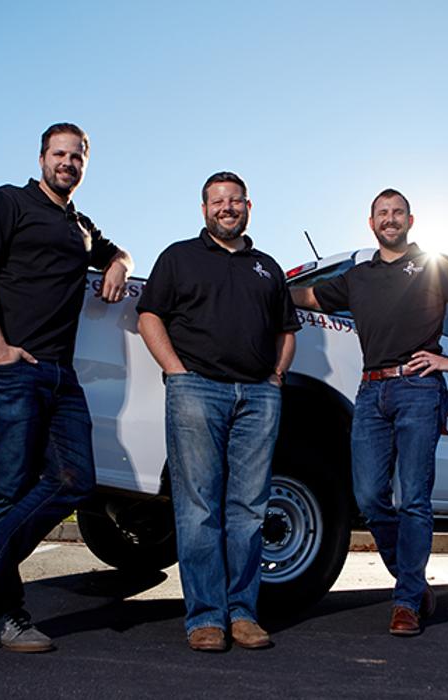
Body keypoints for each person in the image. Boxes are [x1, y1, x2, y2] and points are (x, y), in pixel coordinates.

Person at [0, 123, 133, 657]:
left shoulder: (81, 226)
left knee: (75, 479)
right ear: (42, 157)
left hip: (59, 372)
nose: (67, 163)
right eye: (59, 154)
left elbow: (121, 253)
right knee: (6, 488)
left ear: (85, 165)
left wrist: (118, 264)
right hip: (8, 365)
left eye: (77, 156)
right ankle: (5, 614)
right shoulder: (7, 202)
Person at [291, 189, 448, 636]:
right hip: (370, 391)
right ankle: (412, 580)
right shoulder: (357, 278)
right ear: (371, 223)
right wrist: (261, 286)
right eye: (382, 213)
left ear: (410, 220)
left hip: (419, 389)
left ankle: (405, 604)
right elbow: (306, 298)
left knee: (415, 499)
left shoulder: (434, 266)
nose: (390, 219)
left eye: (397, 212)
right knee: (367, 496)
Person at [136, 172, 299, 652]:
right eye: (217, 201)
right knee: (199, 507)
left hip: (258, 396)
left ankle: (243, 613)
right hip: (196, 391)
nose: (226, 208)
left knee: (248, 510)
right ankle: (206, 616)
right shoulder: (179, 256)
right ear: (203, 208)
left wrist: (276, 376)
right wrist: (176, 371)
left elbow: (287, 329)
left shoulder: (267, 267)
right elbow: (149, 315)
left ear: (248, 206)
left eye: (234, 200)